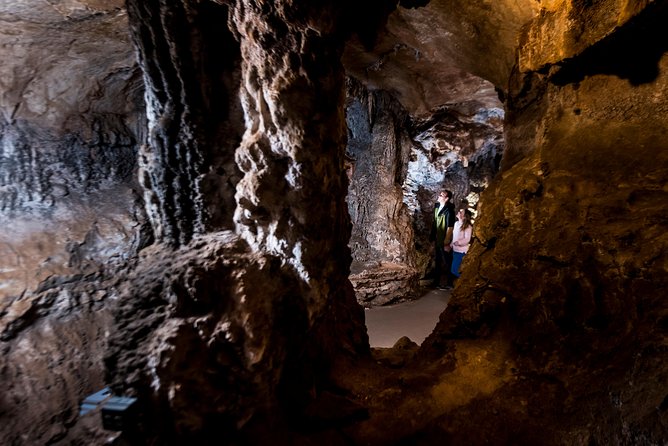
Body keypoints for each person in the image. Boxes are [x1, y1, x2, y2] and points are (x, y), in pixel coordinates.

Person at [429, 190, 456, 289]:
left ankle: (449, 283)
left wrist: (447, 242)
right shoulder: (436, 207)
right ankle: (436, 283)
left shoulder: (449, 210)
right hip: (437, 238)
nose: (439, 196)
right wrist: (432, 237)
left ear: (447, 198)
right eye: (439, 194)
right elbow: (434, 222)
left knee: (447, 261)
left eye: (441, 195)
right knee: (438, 261)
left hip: (444, 239)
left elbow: (450, 227)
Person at [450, 208, 473, 280]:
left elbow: (467, 239)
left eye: (461, 212)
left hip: (461, 251)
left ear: (465, 216)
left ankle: (465, 281)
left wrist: (459, 243)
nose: (459, 212)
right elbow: (455, 236)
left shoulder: (468, 227)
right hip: (455, 250)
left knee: (454, 270)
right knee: (455, 269)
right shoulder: (456, 224)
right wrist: (451, 244)